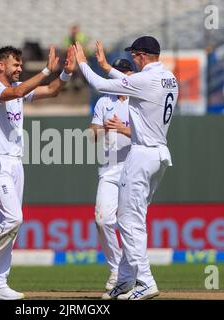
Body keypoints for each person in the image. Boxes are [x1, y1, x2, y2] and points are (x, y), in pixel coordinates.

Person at [73, 36, 178, 300]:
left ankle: (145, 281)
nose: (133, 60)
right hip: (160, 155)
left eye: (135, 56)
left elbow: (99, 84)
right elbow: (131, 82)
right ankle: (126, 278)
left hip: (141, 155)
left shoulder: (145, 80)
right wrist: (108, 66)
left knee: (129, 222)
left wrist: (84, 64)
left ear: (143, 56)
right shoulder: (169, 78)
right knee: (134, 220)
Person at [0, 45, 76, 300]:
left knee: (8, 222)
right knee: (13, 218)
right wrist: (45, 70)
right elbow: (17, 90)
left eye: (21, 65)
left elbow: (52, 91)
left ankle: (0, 281)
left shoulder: (18, 92)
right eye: (16, 65)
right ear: (1, 66)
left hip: (15, 162)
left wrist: (64, 74)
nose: (20, 68)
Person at [89, 55, 134, 291]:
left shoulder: (139, 100)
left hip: (133, 168)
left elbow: (148, 135)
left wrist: (122, 129)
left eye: (123, 72)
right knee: (103, 219)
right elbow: (92, 135)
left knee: (129, 223)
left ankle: (134, 274)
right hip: (108, 169)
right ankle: (117, 269)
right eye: (115, 72)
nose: (118, 76)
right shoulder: (103, 102)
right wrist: (98, 130)